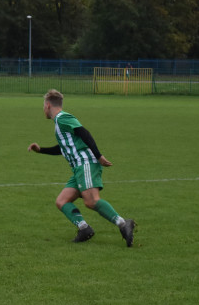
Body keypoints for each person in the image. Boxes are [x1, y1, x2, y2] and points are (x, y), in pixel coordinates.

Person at [28, 89, 135, 246]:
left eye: (44, 106)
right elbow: (63, 148)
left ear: (48, 105)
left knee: (91, 201)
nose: (43, 109)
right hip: (78, 168)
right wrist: (41, 150)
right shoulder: (59, 123)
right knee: (62, 201)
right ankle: (84, 228)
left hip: (86, 163)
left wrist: (98, 156)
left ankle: (123, 223)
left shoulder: (63, 118)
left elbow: (84, 133)